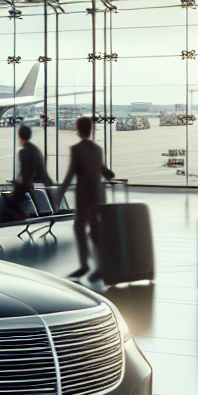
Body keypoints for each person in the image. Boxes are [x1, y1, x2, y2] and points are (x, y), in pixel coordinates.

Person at [56, 116, 115, 278]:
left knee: (79, 229)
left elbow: (70, 174)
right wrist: (108, 173)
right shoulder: (97, 148)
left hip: (85, 196)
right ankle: (100, 266)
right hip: (98, 195)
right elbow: (101, 169)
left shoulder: (76, 150)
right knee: (96, 231)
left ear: (78, 130)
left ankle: (85, 265)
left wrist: (60, 192)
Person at [4, 124, 51, 220]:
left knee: (9, 202)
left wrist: (17, 182)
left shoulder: (24, 151)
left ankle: (19, 216)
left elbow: (25, 173)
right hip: (42, 182)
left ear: (20, 136)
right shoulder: (35, 149)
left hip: (32, 182)